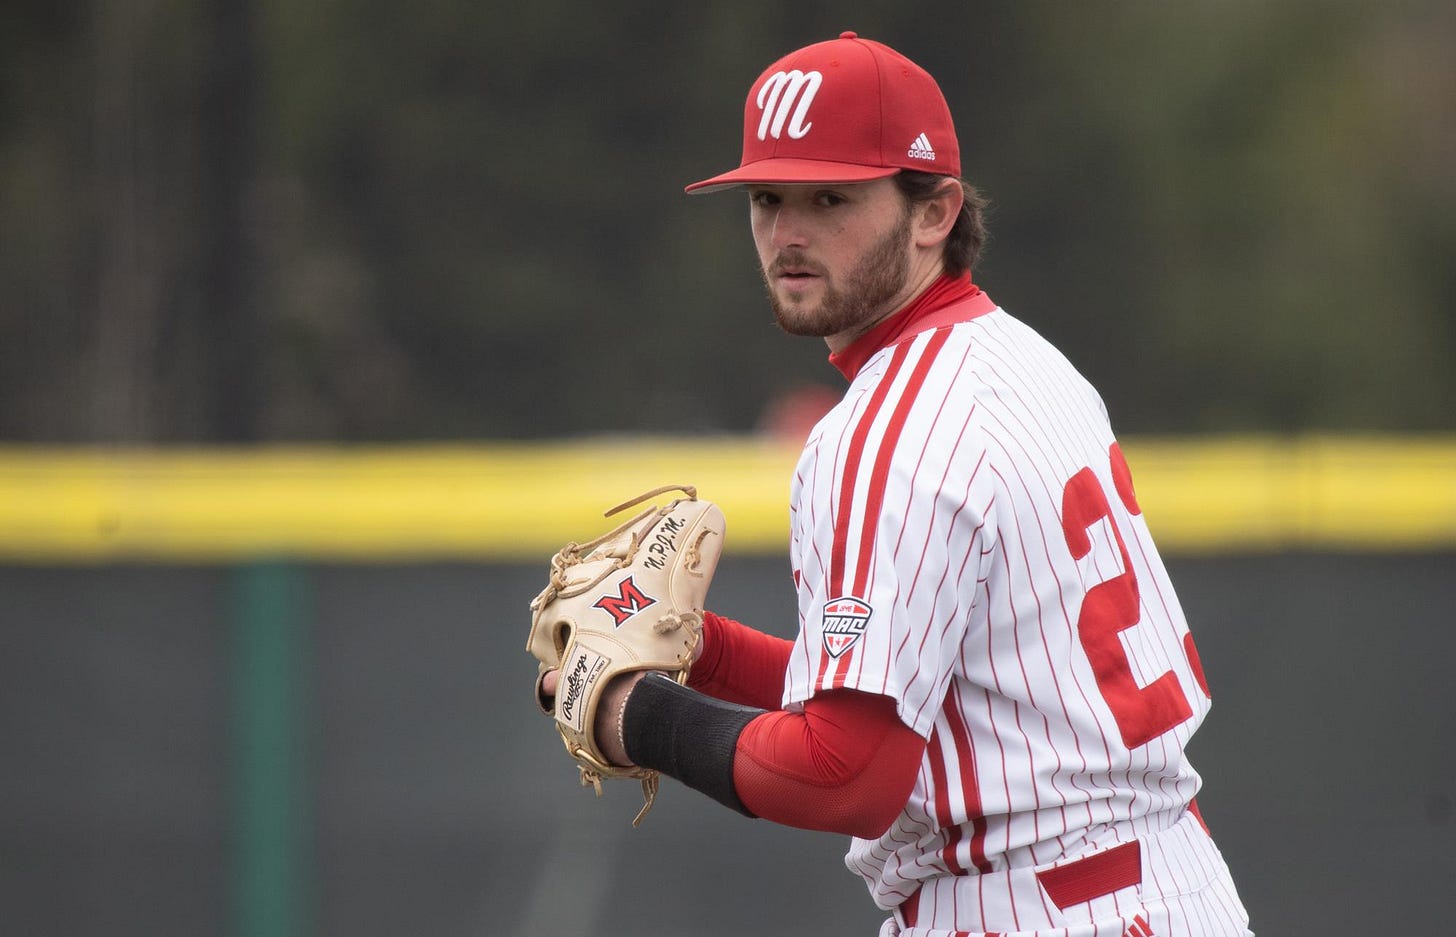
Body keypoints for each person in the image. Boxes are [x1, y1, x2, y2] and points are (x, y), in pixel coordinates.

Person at [546, 31, 1251, 937]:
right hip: (1162, 883)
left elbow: (847, 770)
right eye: (768, 198)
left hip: (1028, 905)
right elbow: (930, 689)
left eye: (830, 197)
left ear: (934, 211)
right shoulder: (1021, 359)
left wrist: (632, 714)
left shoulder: (885, 435)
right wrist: (700, 645)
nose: (787, 233)